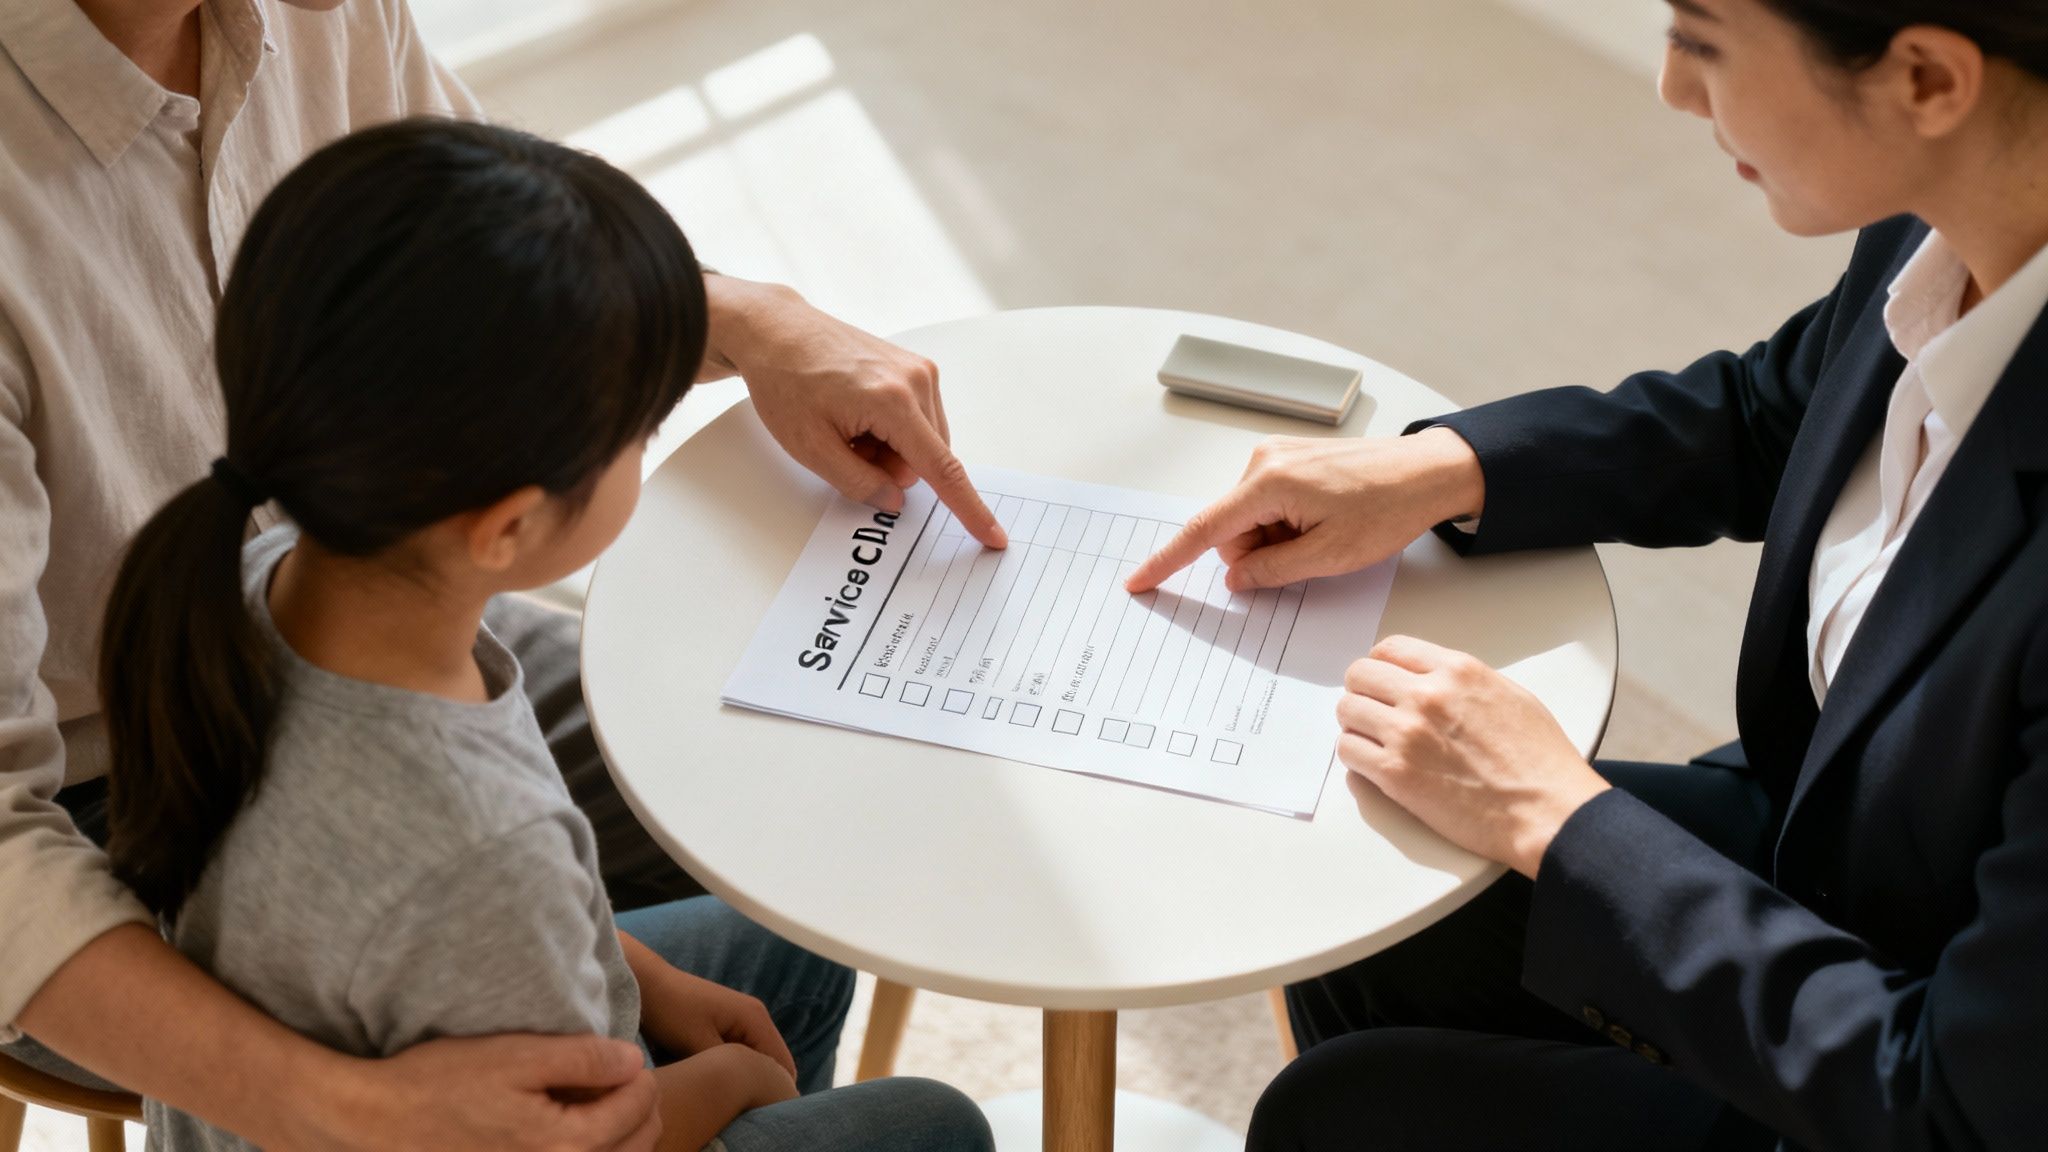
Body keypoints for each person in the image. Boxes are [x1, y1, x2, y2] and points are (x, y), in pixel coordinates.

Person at [0, 0, 1005, 1147]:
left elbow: (494, 250)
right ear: (508, 522)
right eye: (638, 424)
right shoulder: (480, 851)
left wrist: (743, 317)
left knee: (777, 807)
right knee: (929, 1124)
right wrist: (361, 1109)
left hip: (314, 633)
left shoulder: (262, 582)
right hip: (86, 801)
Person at [1128, 1, 2048, 1148]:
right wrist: (1441, 470)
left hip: (1929, 1072)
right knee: (1376, 885)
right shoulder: (1949, 219)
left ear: (1922, 79)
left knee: (1338, 1115)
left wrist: (1554, 816)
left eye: (1700, 40)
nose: (1667, 85)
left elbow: (1953, 1106)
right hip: (1848, 846)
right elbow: (1778, 413)